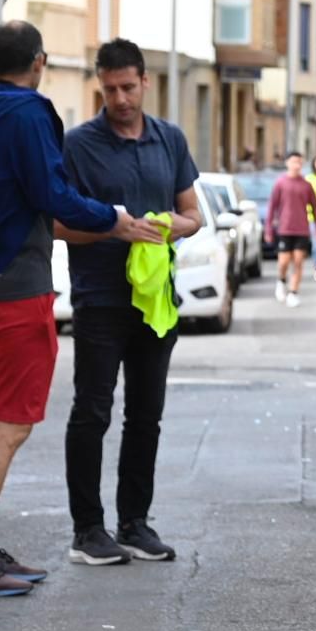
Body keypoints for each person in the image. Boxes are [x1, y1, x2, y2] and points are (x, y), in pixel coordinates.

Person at [0, 21, 152, 596]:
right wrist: (114, 219)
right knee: (10, 425)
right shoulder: (30, 113)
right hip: (16, 287)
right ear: (39, 61)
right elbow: (51, 194)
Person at [60, 38, 203, 567]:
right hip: (99, 299)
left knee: (146, 417)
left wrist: (166, 228)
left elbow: (193, 214)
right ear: (100, 84)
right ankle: (88, 530)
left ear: (145, 82)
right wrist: (113, 228)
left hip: (156, 301)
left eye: (128, 87)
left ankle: (134, 523)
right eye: (110, 88)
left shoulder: (169, 139)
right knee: (92, 413)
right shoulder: (78, 144)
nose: (119, 97)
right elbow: (57, 224)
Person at [266, 152, 316, 308]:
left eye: (300, 162)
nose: (297, 165)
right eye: (294, 161)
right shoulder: (280, 183)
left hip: (302, 229)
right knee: (283, 262)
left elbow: (315, 208)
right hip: (284, 229)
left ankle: (293, 292)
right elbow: (272, 207)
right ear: (287, 163)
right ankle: (281, 281)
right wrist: (268, 229)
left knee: (298, 262)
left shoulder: (306, 185)